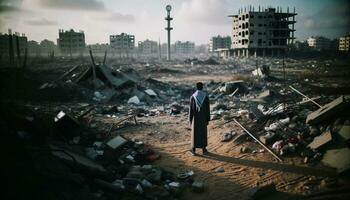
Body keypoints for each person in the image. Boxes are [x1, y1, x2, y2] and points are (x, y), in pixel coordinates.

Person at [189, 82, 210, 155]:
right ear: (202, 87)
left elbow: (191, 110)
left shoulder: (193, 97)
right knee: (203, 133)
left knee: (195, 134)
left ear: (196, 87)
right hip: (203, 118)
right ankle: (204, 150)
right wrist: (208, 119)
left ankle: (193, 150)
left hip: (195, 119)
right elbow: (208, 109)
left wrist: (190, 119)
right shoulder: (205, 97)